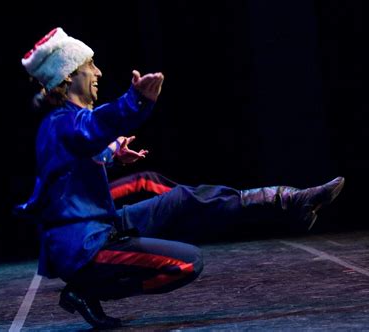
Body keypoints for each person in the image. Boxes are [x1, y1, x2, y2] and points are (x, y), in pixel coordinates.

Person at [17, 27, 345, 329]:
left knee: (184, 198)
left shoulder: (67, 122)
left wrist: (115, 152)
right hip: (84, 248)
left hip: (101, 226)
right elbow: (91, 129)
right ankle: (87, 289)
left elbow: (88, 142)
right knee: (188, 263)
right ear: (69, 75)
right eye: (91, 65)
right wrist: (135, 102)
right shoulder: (62, 123)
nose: (98, 72)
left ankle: (289, 200)